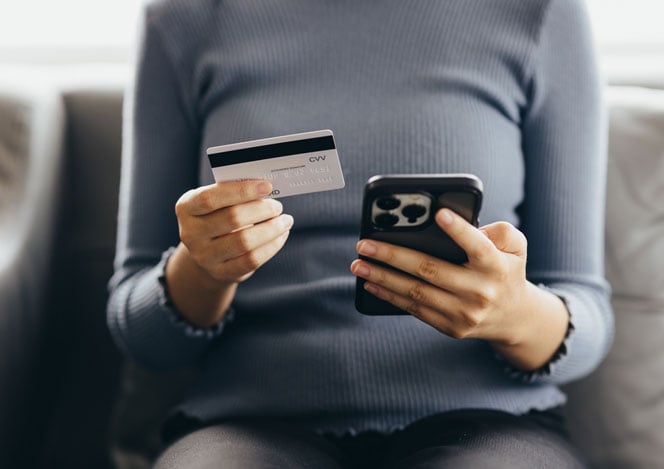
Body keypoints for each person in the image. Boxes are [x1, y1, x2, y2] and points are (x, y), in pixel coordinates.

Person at [107, 0, 613, 467]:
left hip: (491, 426)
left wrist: (515, 313)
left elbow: (586, 308)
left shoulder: (540, 11)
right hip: (248, 423)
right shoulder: (184, 17)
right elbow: (140, 335)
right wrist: (202, 269)